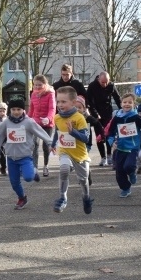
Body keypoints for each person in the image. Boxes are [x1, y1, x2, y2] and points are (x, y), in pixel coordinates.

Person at [0, 96, 52, 210]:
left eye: (19, 109)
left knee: (28, 177)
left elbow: (40, 131)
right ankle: (22, 198)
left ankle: (33, 172)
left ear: (23, 110)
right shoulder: (6, 123)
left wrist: (49, 143)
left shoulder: (28, 122)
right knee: (14, 183)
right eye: (13, 109)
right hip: (11, 158)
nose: (16, 112)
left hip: (25, 156)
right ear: (10, 110)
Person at [50, 86, 93, 214]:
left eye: (63, 102)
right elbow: (58, 132)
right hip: (64, 151)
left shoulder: (79, 118)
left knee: (83, 180)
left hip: (79, 154)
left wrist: (72, 132)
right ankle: (63, 198)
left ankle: (86, 197)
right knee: (64, 170)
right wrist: (53, 143)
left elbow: (85, 138)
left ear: (73, 102)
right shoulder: (57, 117)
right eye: (58, 101)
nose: (60, 104)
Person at [106, 93, 141, 198]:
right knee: (119, 171)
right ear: (121, 104)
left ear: (134, 104)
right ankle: (125, 188)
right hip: (120, 147)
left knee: (129, 166)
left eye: (130, 102)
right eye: (124, 102)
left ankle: (132, 173)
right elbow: (110, 132)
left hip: (133, 147)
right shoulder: (117, 117)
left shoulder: (136, 117)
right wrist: (112, 142)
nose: (127, 104)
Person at [86, 71, 122, 167]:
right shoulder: (92, 86)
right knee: (99, 136)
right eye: (103, 82)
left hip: (107, 112)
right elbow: (89, 102)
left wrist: (123, 110)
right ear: (99, 80)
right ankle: (103, 157)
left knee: (108, 134)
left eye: (106, 82)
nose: (105, 84)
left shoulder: (111, 85)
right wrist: (95, 114)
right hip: (96, 112)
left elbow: (118, 99)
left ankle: (109, 155)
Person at [28, 74, 56, 178]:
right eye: (35, 85)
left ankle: (46, 165)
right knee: (34, 144)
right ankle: (35, 167)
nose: (37, 87)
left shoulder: (50, 94)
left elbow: (52, 108)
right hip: (35, 122)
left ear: (45, 84)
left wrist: (48, 118)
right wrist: (26, 119)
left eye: (40, 85)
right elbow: (31, 109)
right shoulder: (33, 94)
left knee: (46, 146)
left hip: (47, 123)